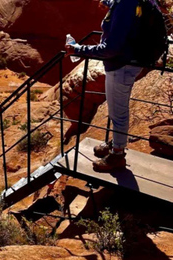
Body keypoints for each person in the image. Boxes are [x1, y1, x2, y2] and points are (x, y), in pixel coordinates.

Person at [65, 0, 144, 172]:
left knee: (119, 112)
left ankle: (117, 155)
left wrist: (78, 49)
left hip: (121, 64)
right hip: (128, 61)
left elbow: (111, 48)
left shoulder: (126, 3)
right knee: (117, 109)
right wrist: (108, 3)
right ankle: (117, 143)